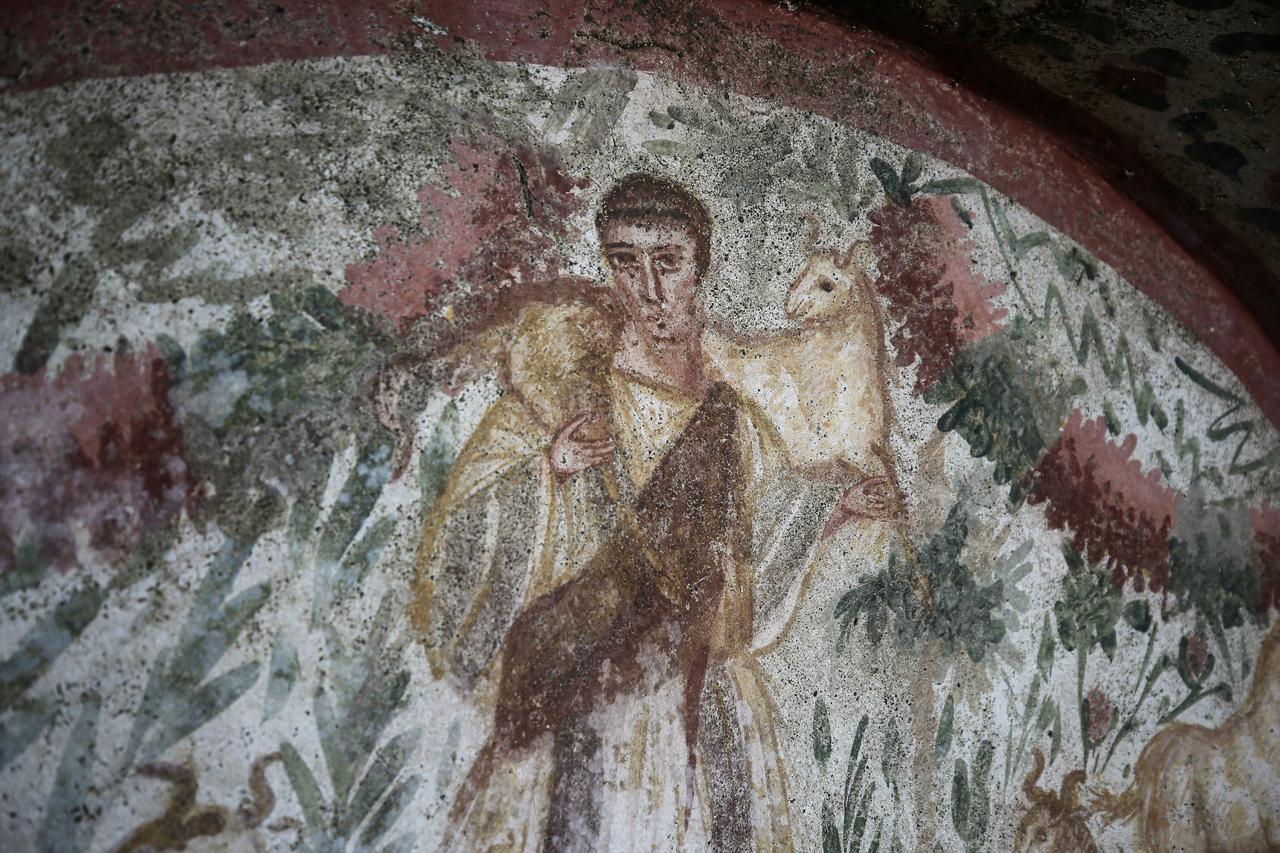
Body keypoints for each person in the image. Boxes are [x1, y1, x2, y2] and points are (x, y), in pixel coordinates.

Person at [411, 173, 902, 851]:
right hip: (582, 691)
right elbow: (461, 532)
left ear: (698, 269)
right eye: (625, 262)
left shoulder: (732, 416)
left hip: (697, 697)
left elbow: (759, 530)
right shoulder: (563, 392)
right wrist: (547, 471)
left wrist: (832, 503)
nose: (648, 286)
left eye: (667, 264)